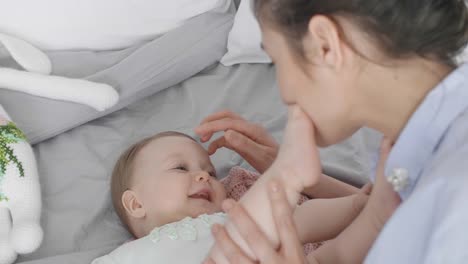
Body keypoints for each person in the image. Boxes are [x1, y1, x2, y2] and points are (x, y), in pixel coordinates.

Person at [197, 0, 468, 263]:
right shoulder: (406, 155)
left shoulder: (453, 199)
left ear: (325, 44)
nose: (284, 91)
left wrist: (287, 172)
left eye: (276, 62)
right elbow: (371, 214)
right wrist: (287, 170)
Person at [92, 130, 372, 264]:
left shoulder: (231, 221)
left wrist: (355, 205)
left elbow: (300, 221)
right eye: (180, 168)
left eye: (211, 172)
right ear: (136, 203)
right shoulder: (124, 258)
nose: (204, 177)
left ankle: (376, 214)